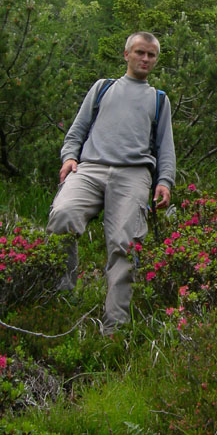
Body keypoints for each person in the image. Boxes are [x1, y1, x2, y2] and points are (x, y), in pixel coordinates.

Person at [47, 32, 176, 334]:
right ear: (126, 54)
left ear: (156, 60)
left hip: (134, 174)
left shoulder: (159, 99)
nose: (145, 59)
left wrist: (165, 181)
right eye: (140, 53)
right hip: (90, 168)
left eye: (151, 55)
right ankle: (59, 298)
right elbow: (77, 131)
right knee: (62, 215)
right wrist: (69, 157)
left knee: (124, 243)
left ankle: (114, 327)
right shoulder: (102, 88)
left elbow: (166, 147)